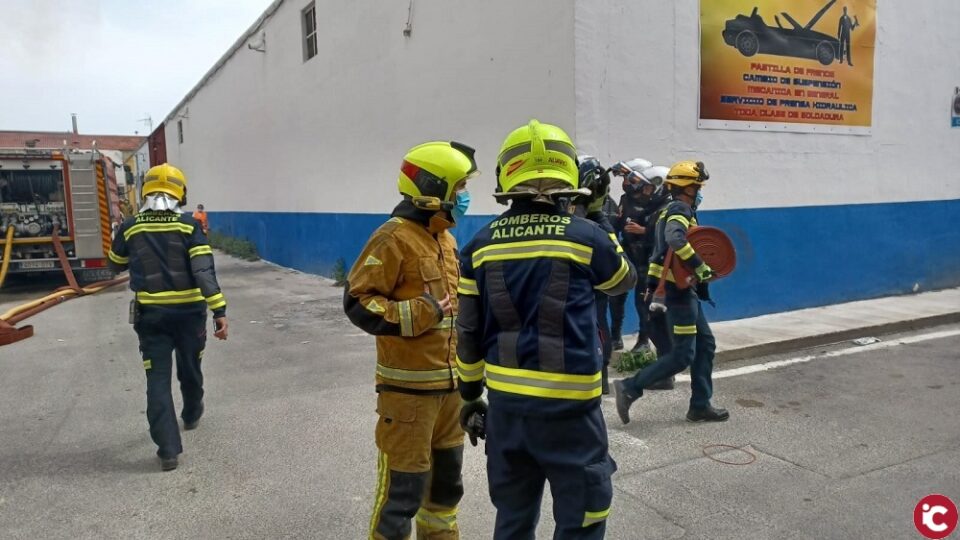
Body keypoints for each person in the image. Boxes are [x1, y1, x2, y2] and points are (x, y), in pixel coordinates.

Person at [456, 120, 636, 539]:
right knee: (582, 523)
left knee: (514, 521)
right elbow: (623, 281)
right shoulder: (586, 237)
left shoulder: (479, 246)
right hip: (571, 414)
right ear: (568, 175)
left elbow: (466, 332)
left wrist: (469, 397)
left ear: (506, 175)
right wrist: (596, 216)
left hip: (506, 412)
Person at [343, 141, 479, 540]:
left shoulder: (445, 239)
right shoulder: (393, 238)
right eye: (459, 189)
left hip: (449, 393)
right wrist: (420, 312)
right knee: (400, 498)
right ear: (432, 191)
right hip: (408, 398)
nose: (464, 198)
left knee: (445, 492)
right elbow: (357, 303)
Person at [107, 163, 228, 471]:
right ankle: (191, 413)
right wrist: (219, 311)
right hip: (189, 315)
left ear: (146, 190)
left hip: (152, 317)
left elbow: (115, 264)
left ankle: (168, 450)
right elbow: (203, 271)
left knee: (157, 379)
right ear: (180, 193)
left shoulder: (131, 226)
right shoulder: (189, 226)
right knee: (190, 368)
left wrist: (123, 240)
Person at [614, 160, 728, 425]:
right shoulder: (679, 209)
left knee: (706, 345)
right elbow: (676, 240)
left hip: (682, 290)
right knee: (683, 354)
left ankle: (700, 405)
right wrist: (700, 268)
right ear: (686, 188)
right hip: (679, 292)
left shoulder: (667, 210)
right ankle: (631, 386)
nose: (699, 191)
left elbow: (663, 249)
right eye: (697, 186)